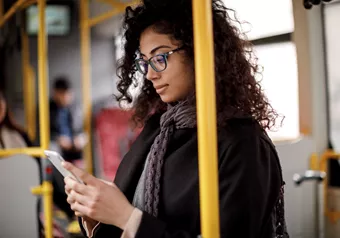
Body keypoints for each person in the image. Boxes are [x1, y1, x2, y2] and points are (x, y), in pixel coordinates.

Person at [63, 0, 289, 237]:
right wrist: (97, 215)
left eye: (160, 57)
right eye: (144, 62)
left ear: (199, 51)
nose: (150, 74)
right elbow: (126, 210)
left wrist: (126, 217)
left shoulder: (243, 142)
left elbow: (129, 216)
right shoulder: (158, 129)